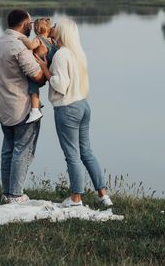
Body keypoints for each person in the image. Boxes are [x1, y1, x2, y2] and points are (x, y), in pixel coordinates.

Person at [36, 17, 113, 208]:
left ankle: (76, 198)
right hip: (83, 105)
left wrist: (45, 69)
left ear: (62, 32)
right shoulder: (77, 53)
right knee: (86, 151)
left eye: (55, 27)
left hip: (67, 108)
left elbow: (60, 85)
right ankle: (103, 195)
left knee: (72, 154)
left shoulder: (62, 55)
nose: (52, 28)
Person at [0, 9, 46, 204]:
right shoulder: (18, 46)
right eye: (30, 23)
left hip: (2, 105)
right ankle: (15, 195)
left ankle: (7, 192)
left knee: (8, 150)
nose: (31, 27)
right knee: (22, 150)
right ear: (24, 25)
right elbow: (37, 75)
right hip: (21, 106)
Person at [17, 17, 58, 123]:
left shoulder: (38, 39)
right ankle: (37, 103)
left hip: (39, 68)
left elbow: (31, 46)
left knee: (32, 87)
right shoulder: (52, 41)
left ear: (36, 29)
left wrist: (22, 38)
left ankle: (35, 111)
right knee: (33, 88)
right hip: (49, 67)